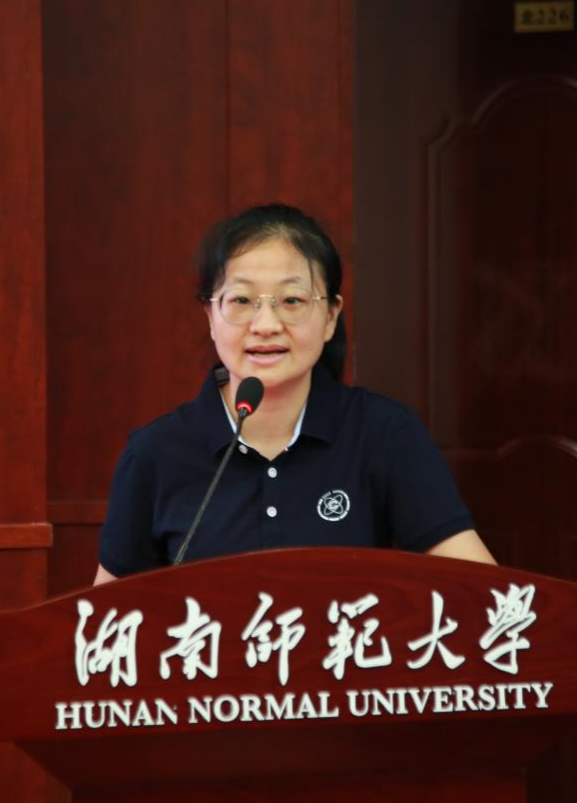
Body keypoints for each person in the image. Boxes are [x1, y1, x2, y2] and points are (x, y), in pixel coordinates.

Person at [94, 204, 494, 584]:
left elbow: (485, 592)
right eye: (242, 300)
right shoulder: (156, 452)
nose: (266, 324)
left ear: (331, 316)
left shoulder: (385, 434)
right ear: (211, 316)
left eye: (292, 300)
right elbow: (106, 621)